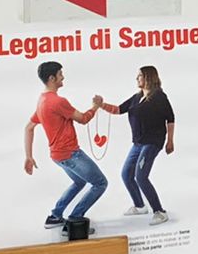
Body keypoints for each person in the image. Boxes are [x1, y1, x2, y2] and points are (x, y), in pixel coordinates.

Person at [23, 61, 106, 228]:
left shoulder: (42, 100)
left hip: (57, 156)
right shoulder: (58, 102)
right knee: (100, 183)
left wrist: (29, 157)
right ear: (52, 78)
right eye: (60, 74)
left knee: (80, 182)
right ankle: (75, 219)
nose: (63, 77)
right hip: (71, 154)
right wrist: (95, 107)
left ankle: (55, 216)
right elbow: (83, 119)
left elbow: (29, 127)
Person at [99, 65, 175, 223]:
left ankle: (160, 211)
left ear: (148, 77)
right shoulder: (137, 97)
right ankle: (140, 206)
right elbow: (118, 109)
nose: (137, 78)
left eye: (139, 75)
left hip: (153, 142)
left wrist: (170, 141)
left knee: (141, 176)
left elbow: (170, 118)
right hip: (138, 143)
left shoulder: (159, 96)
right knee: (126, 174)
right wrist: (101, 105)